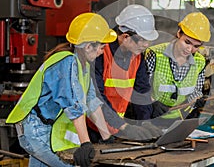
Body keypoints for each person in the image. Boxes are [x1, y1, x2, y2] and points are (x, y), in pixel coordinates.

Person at [6, 13, 160, 167]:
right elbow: (74, 106)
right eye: (101, 46)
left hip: (46, 130)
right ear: (88, 46)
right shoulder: (66, 62)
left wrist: (106, 137)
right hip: (35, 131)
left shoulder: (84, 64)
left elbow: (92, 101)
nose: (103, 51)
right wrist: (86, 143)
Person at [91, 4, 158, 122]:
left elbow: (141, 93)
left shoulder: (138, 58)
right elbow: (96, 96)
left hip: (116, 126)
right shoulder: (101, 54)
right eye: (142, 40)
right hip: (95, 126)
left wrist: (145, 123)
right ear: (125, 36)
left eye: (148, 40)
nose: (146, 45)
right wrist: (119, 125)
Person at [145, 12, 211, 120]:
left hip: (178, 118)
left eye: (196, 46)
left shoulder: (200, 62)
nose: (189, 49)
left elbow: (195, 92)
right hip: (152, 116)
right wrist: (152, 103)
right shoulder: (155, 54)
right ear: (179, 33)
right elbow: (142, 88)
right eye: (187, 42)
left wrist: (197, 100)